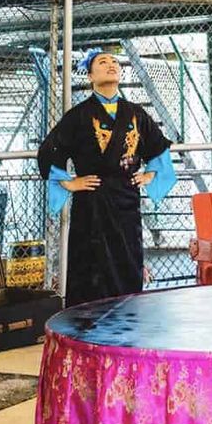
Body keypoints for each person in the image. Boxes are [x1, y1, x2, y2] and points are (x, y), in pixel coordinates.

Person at [36, 49, 174, 305]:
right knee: (89, 267)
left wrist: (149, 174)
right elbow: (49, 151)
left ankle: (126, 321)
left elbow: (158, 146)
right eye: (102, 62)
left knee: (127, 262)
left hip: (126, 201)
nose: (111, 65)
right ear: (90, 76)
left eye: (114, 62)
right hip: (92, 203)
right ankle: (86, 325)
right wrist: (70, 182)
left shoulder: (136, 113)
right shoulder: (78, 115)